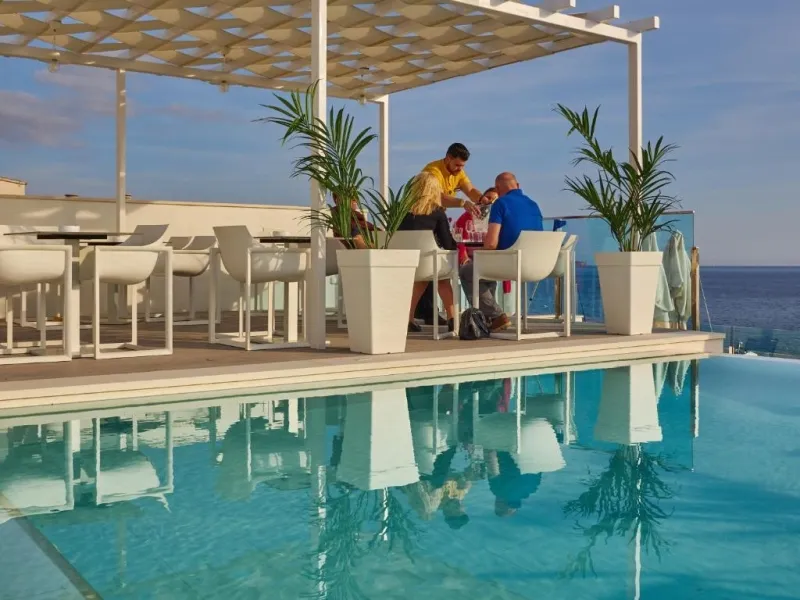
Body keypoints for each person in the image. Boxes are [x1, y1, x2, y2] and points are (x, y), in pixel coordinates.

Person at [459, 172, 544, 332]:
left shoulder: (501, 203)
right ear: (518, 186)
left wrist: (479, 253)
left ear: (498, 189)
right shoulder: (534, 205)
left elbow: (491, 244)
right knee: (485, 269)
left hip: (511, 264)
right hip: (536, 265)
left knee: (467, 271)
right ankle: (491, 319)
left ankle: (496, 316)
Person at [399, 172, 458, 333]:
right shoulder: (437, 212)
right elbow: (447, 243)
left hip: (406, 263)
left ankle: (408, 318)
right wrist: (458, 249)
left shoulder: (401, 212)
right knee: (443, 278)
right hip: (427, 263)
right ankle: (453, 318)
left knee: (422, 280)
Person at [422, 143, 483, 217]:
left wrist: (481, 198)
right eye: (457, 165)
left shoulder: (459, 172)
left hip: (437, 213)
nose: (460, 169)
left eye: (462, 166)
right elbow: (437, 197)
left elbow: (470, 191)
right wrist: (463, 203)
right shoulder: (432, 171)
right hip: (419, 214)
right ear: (448, 158)